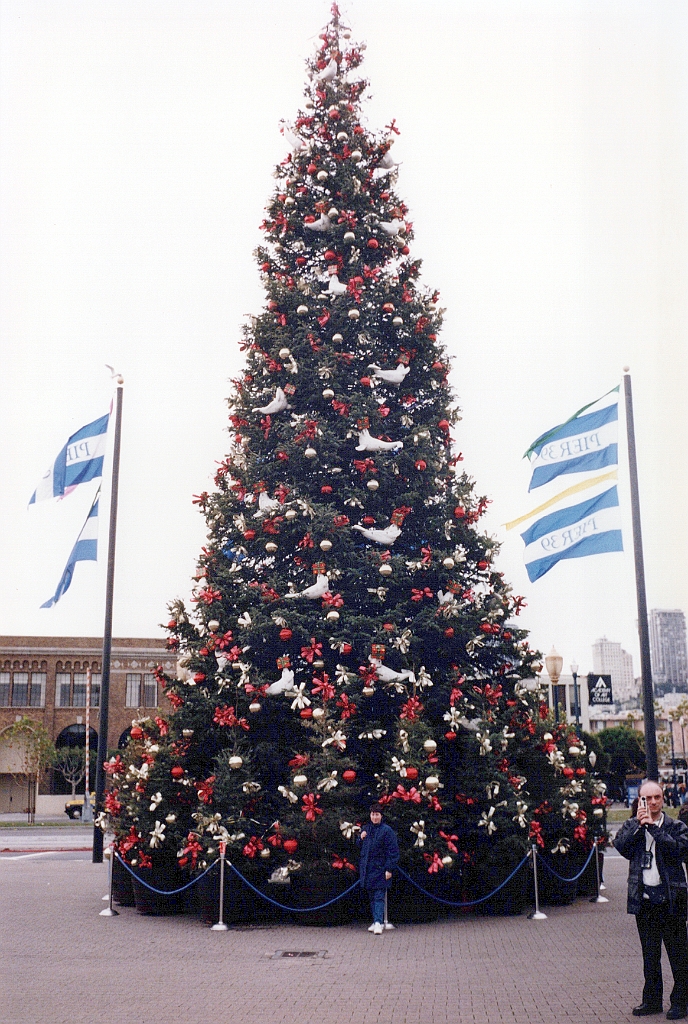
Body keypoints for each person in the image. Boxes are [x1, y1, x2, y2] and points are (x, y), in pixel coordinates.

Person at [615, 780, 688, 1019]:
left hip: (671, 899)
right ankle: (652, 1001)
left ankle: (681, 1001)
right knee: (650, 955)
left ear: (663, 798)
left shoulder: (675, 826)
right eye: (647, 799)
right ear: (640, 801)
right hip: (644, 900)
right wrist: (639, 825)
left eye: (657, 797)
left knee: (678, 954)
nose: (653, 802)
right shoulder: (632, 825)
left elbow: (679, 851)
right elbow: (622, 847)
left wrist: (655, 830)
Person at [359, 801, 399, 935]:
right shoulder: (366, 829)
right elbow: (360, 847)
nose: (374, 817)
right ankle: (378, 921)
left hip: (381, 869)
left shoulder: (387, 831)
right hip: (368, 869)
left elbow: (393, 852)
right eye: (372, 814)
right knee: (372, 896)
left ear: (381, 816)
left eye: (377, 815)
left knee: (379, 896)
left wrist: (389, 869)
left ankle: (378, 922)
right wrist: (360, 838)